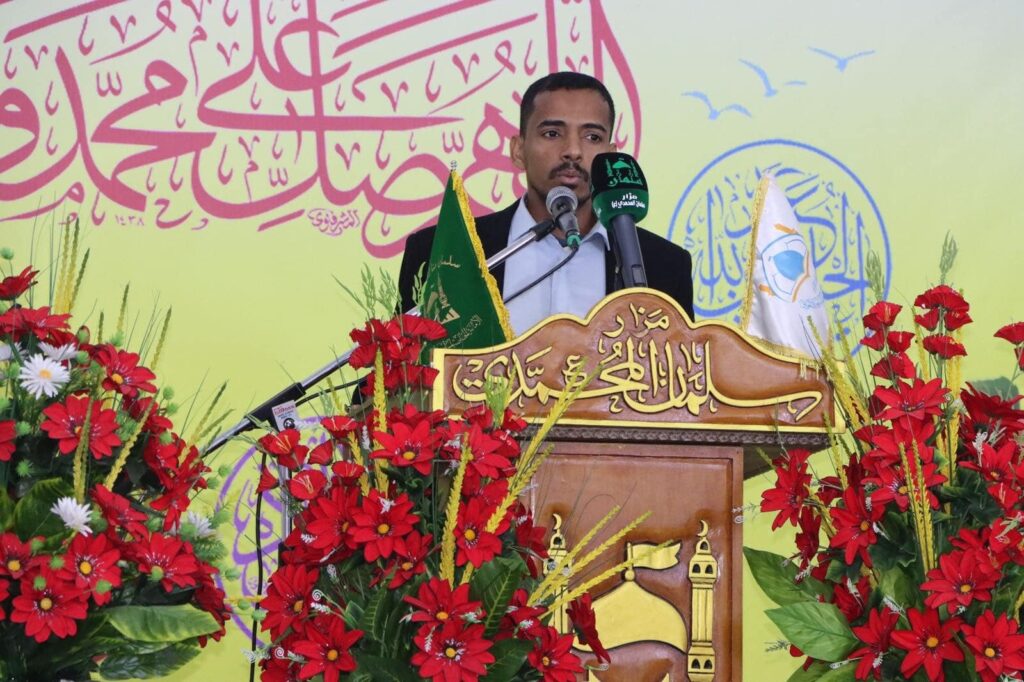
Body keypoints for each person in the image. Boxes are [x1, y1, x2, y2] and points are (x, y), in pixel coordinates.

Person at [397, 72, 694, 336]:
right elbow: (401, 373)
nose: (573, 151)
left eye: (592, 137)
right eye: (552, 134)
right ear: (518, 150)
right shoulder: (440, 252)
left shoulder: (663, 265)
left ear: (610, 156)